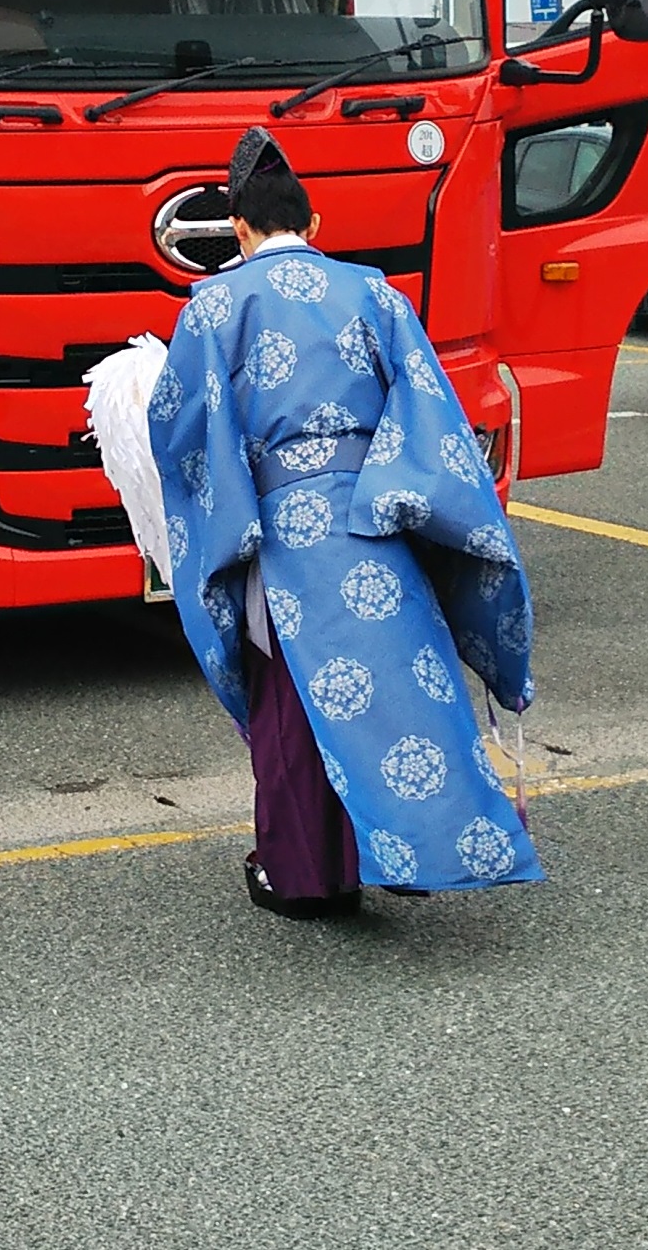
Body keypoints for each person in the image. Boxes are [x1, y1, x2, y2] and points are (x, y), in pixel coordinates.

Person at [144, 127, 542, 915]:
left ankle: (305, 877)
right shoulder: (374, 293)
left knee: (291, 701)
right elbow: (430, 413)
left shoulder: (213, 305)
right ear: (314, 224)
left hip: (278, 530)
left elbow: (184, 429)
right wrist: (392, 495)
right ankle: (419, 852)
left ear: (239, 228)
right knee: (403, 695)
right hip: (373, 526)